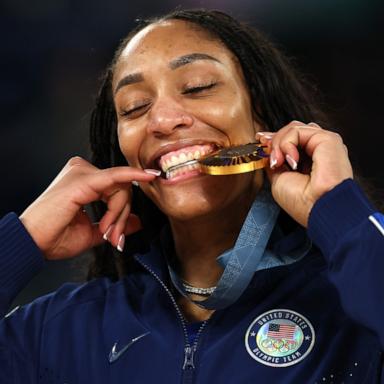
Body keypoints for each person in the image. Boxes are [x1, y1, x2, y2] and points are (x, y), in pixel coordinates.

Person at [0, 8, 383, 384]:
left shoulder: (352, 309)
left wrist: (341, 215)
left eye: (198, 86)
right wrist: (23, 239)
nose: (163, 120)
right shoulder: (60, 334)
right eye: (134, 107)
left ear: (261, 116)